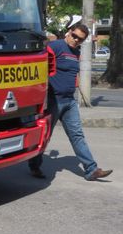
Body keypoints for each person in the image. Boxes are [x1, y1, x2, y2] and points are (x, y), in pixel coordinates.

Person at [29, 23, 113, 181]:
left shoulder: (77, 51)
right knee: (45, 136)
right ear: (69, 31)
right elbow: (39, 68)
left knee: (77, 135)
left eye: (80, 39)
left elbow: (73, 71)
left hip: (69, 101)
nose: (75, 40)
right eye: (74, 36)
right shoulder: (55, 46)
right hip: (53, 100)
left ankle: (91, 169)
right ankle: (34, 165)